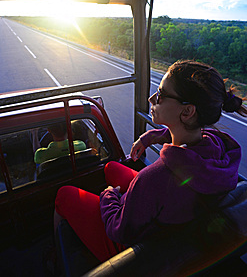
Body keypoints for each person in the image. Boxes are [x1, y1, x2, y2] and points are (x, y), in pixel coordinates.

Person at [54, 60, 247, 263]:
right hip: (180, 222)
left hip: (137, 249)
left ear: (187, 111)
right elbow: (185, 134)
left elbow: (119, 229)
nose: (151, 98)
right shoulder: (220, 147)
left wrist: (108, 196)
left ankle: (56, 260)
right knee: (112, 167)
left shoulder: (155, 178)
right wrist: (151, 137)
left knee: (64, 195)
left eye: (161, 95)